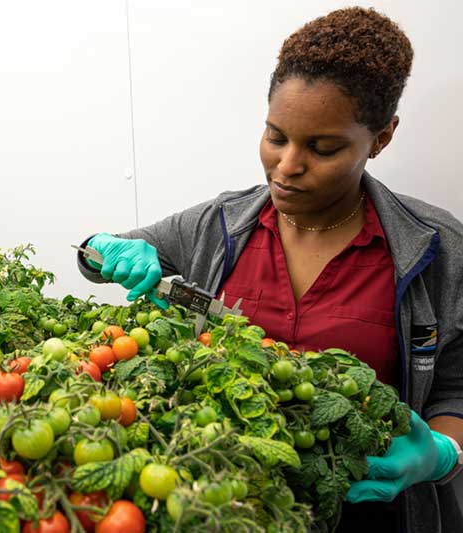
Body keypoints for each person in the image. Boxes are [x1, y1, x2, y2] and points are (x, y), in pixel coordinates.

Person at [76, 7, 463, 533]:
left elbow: (456, 389)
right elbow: (100, 258)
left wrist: (442, 453)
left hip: (372, 512)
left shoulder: (437, 248)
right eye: (276, 137)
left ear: (381, 138)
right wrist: (99, 250)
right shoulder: (219, 225)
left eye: (322, 148)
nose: (286, 166)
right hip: (227, 506)